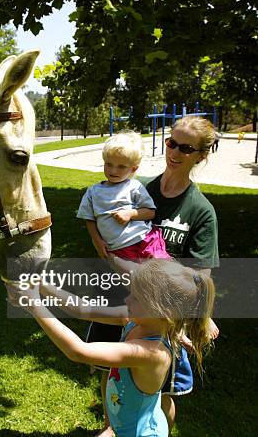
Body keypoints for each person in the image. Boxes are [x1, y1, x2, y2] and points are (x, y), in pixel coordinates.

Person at [94, 116, 220, 435]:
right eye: (171, 142)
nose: (175, 151)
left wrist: (188, 320)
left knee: (162, 393)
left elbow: (199, 274)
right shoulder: (136, 188)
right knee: (112, 374)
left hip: (162, 316)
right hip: (122, 298)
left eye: (186, 147)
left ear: (200, 155)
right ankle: (116, 429)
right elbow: (107, 231)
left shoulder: (200, 211)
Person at [6, 259, 215, 437]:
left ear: (163, 311)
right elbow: (82, 308)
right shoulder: (135, 320)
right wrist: (41, 285)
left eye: (136, 298)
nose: (126, 299)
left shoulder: (152, 353)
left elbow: (78, 351)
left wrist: (35, 306)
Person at [77, 132, 170, 262]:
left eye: (121, 167)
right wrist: (97, 241)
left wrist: (130, 214)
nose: (113, 171)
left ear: (133, 168)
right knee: (139, 277)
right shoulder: (93, 192)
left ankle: (192, 279)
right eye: (109, 164)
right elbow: (89, 219)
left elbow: (150, 212)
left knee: (165, 268)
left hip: (145, 239)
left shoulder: (134, 187)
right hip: (119, 248)